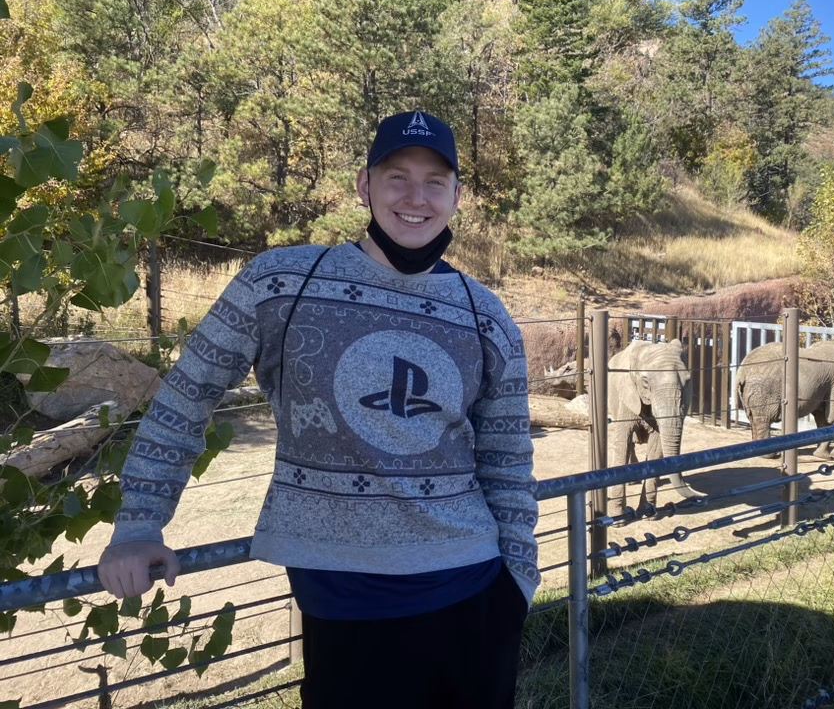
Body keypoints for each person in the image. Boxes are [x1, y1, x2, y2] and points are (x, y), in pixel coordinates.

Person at [98, 110, 540, 708]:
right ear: (364, 185)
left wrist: (518, 582)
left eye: (435, 182)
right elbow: (186, 397)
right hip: (342, 605)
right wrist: (139, 525)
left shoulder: (485, 313)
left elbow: (507, 458)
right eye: (397, 177)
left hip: (475, 594)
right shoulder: (280, 283)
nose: (416, 198)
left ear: (457, 196)